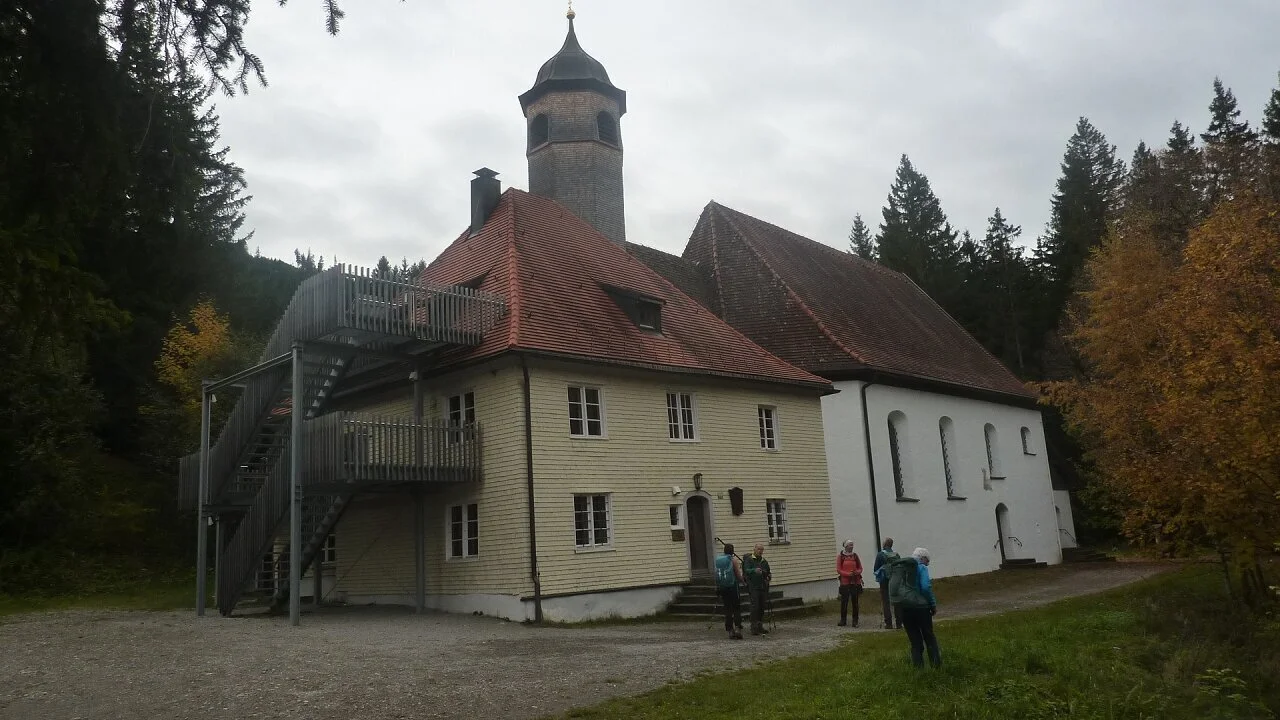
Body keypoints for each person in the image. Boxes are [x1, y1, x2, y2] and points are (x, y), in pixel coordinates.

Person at [888, 547, 941, 668]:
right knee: (929, 636)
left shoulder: (903, 569)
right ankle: (936, 665)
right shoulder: (921, 567)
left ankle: (918, 668)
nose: (928, 564)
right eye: (927, 560)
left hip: (905, 608)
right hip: (921, 608)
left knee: (915, 640)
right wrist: (932, 604)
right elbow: (926, 587)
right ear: (922, 558)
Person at [714, 543, 745, 639]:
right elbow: (737, 574)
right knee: (736, 607)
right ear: (732, 551)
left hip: (723, 587)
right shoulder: (733, 560)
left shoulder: (719, 560)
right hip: (733, 586)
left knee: (727, 608)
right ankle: (737, 628)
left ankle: (729, 630)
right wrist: (743, 581)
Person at [742, 543, 772, 635]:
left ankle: (760, 625)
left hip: (763, 586)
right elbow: (746, 570)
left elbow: (768, 572)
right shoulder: (749, 560)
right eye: (758, 549)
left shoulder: (764, 561)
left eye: (761, 550)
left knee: (762, 607)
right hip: (753, 586)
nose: (760, 551)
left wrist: (768, 576)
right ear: (754, 549)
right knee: (755, 606)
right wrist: (754, 570)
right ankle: (753, 627)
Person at [873, 537, 901, 630]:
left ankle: (888, 623)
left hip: (884, 580)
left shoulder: (880, 554)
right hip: (895, 580)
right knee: (896, 600)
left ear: (884, 544)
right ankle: (899, 623)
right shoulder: (896, 554)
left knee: (886, 601)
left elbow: (875, 569)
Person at [836, 539, 863, 627]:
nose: (852, 546)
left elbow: (860, 568)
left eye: (852, 545)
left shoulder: (855, 556)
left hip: (855, 582)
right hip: (845, 582)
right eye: (850, 545)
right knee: (844, 602)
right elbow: (839, 569)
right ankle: (843, 620)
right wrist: (848, 574)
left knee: (855, 602)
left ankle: (855, 621)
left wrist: (856, 572)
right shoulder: (841, 556)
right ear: (846, 546)